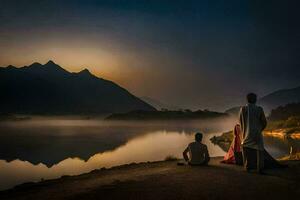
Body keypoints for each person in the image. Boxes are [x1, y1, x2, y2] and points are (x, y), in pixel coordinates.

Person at [239, 93, 267, 173]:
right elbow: (264, 122)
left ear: (247, 99)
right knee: (259, 151)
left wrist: (244, 131)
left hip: (245, 134)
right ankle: (260, 169)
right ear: (255, 99)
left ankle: (247, 167)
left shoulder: (243, 109)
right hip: (257, 134)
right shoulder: (259, 109)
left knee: (245, 149)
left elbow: (240, 121)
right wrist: (259, 130)